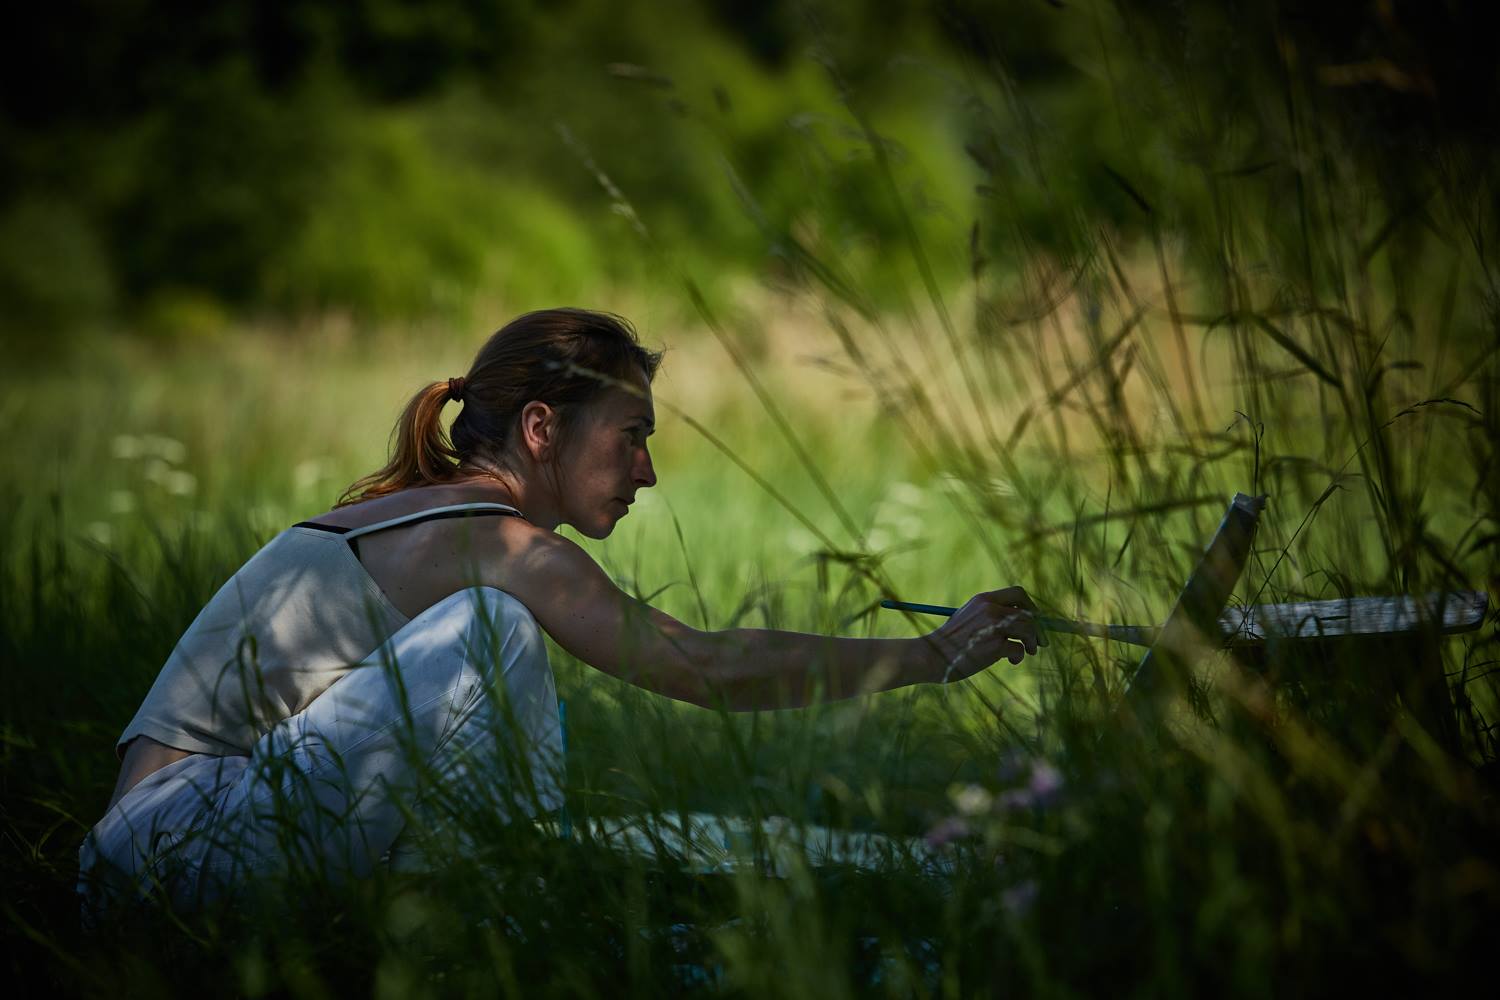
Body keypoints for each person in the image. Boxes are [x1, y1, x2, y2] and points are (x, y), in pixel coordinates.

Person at [78, 307, 1039, 916]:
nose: (649, 471)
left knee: (502, 655)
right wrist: (932, 655)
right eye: (631, 438)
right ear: (543, 429)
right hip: (168, 852)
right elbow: (701, 667)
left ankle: (486, 909)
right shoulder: (492, 541)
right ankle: (519, 913)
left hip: (183, 846)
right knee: (497, 635)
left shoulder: (451, 522)